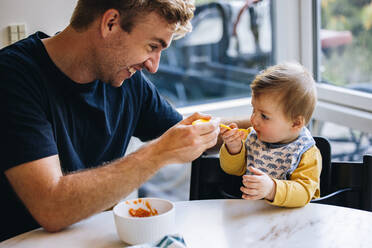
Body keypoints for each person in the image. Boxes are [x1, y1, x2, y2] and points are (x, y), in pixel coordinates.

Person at [0, 0, 251, 241]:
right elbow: (52, 208)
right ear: (110, 23)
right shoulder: (13, 77)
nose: (154, 66)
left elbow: (189, 135)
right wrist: (158, 153)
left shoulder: (128, 83)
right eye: (152, 46)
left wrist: (266, 123)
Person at [219, 62, 321, 207]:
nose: (253, 120)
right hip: (253, 215)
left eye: (264, 116)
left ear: (295, 123)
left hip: (293, 221)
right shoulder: (252, 137)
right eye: (253, 110)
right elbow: (232, 170)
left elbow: (304, 192)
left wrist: (272, 189)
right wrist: (234, 149)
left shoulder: (306, 152)